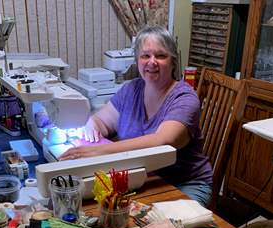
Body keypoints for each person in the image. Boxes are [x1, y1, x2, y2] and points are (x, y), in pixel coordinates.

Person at [59, 26, 213, 207]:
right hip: (142, 180)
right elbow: (102, 121)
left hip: (183, 184)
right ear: (137, 61)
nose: (152, 62)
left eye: (161, 56)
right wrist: (91, 125)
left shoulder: (184, 98)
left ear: (173, 61)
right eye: (145, 56)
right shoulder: (131, 89)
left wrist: (95, 151)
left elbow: (164, 141)